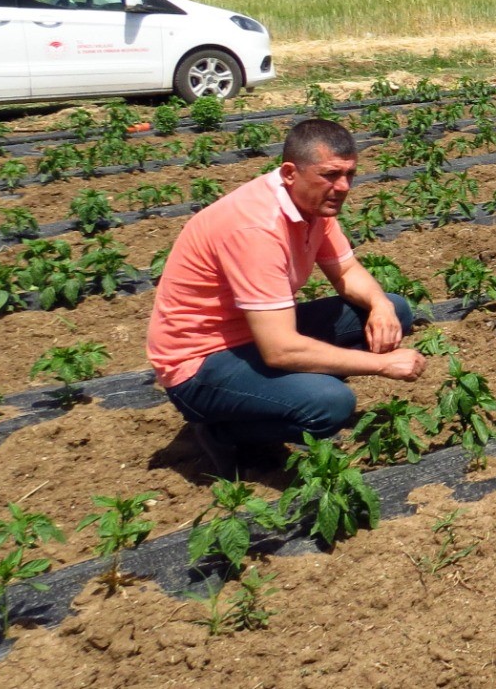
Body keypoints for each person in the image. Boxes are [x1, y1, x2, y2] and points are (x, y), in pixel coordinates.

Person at [148, 119, 426, 478]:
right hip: (201, 362)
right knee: (330, 403)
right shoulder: (256, 228)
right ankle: (223, 431)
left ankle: (289, 390)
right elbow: (280, 350)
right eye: (329, 174)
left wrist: (381, 305)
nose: (342, 187)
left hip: (253, 334)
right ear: (290, 172)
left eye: (350, 175)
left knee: (395, 310)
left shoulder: (311, 205)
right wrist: (382, 365)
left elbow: (346, 272)